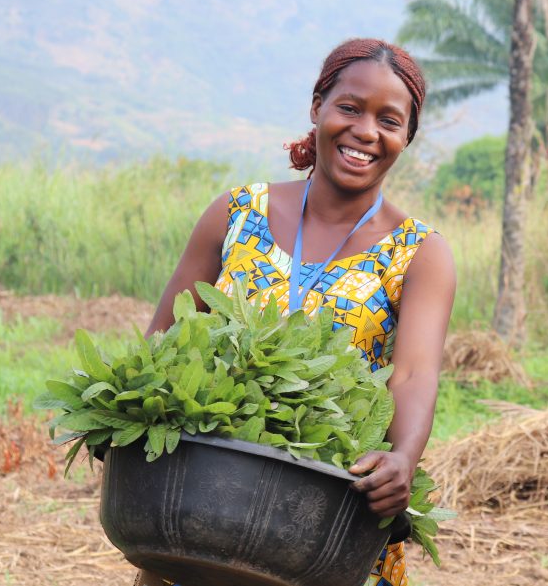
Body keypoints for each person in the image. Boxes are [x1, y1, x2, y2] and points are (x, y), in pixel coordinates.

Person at [137, 38, 456, 586]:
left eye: (389, 120)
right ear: (318, 108)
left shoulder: (419, 253)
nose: (365, 132)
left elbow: (412, 373)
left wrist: (402, 456)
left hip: (323, 518)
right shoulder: (237, 215)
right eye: (350, 108)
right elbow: (165, 340)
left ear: (407, 137)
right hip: (201, 510)